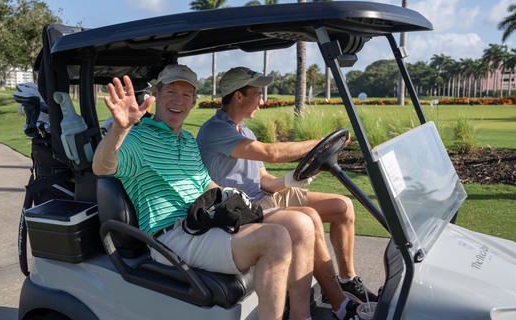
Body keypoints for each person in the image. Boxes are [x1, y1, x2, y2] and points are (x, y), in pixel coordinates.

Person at [92, 64, 346, 320]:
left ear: (193, 102)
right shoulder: (137, 139)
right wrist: (120, 128)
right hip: (171, 236)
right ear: (156, 94)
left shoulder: (188, 141)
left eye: (186, 94)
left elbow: (207, 184)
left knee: (301, 223)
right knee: (275, 239)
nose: (178, 100)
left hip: (202, 222)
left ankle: (301, 316)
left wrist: (234, 199)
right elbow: (102, 166)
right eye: (170, 91)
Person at [196, 67, 376, 319]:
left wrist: (291, 180)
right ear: (238, 96)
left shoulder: (245, 130)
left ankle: (347, 279)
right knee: (309, 219)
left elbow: (264, 180)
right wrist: (318, 142)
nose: (263, 100)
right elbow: (271, 153)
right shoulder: (215, 130)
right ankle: (341, 306)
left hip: (263, 196)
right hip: (243, 208)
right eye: (258, 94)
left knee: (342, 206)